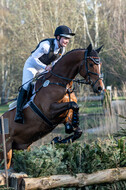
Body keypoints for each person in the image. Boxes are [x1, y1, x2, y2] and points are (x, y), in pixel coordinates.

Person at [15, 25, 75, 124]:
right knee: (26, 87)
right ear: (58, 37)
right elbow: (34, 58)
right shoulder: (46, 45)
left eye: (68, 39)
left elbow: (55, 63)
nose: (67, 41)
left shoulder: (62, 50)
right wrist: (45, 67)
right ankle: (18, 113)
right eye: (65, 38)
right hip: (32, 66)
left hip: (43, 68)